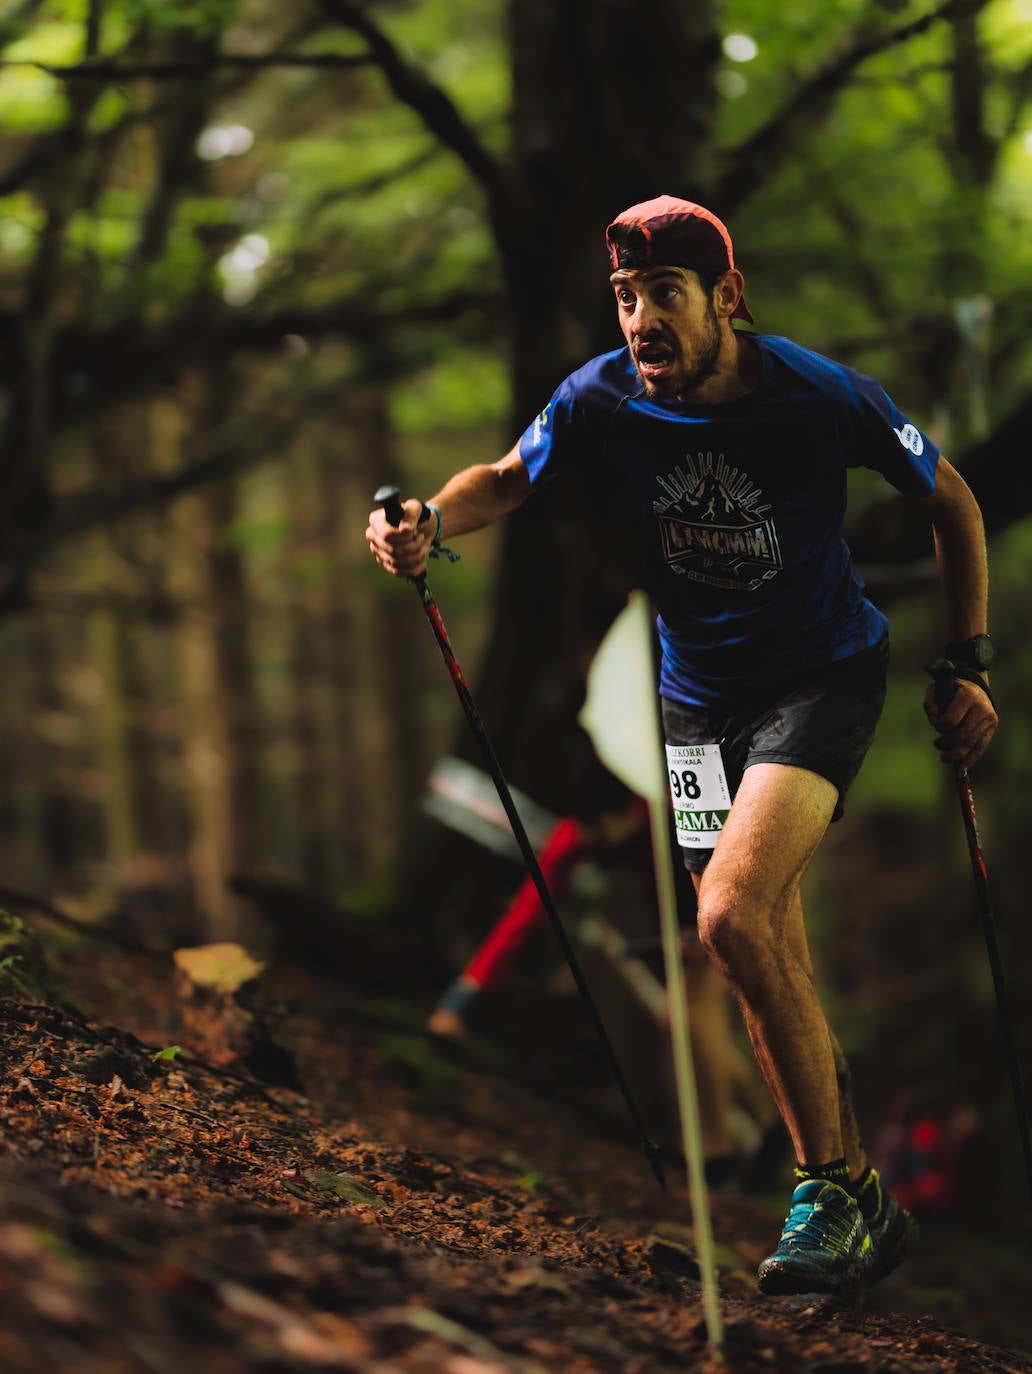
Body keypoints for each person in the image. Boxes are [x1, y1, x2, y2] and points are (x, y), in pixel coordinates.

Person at [366, 195, 998, 1298]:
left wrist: (972, 659)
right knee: (752, 950)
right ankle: (861, 1202)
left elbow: (951, 500)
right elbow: (507, 480)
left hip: (818, 681)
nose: (640, 320)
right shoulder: (602, 396)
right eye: (624, 298)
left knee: (730, 913)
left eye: (663, 294)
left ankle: (831, 1190)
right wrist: (424, 520)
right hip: (695, 705)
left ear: (727, 299)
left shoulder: (820, 396)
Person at [427, 792, 787, 1191]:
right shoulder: (575, 837)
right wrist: (461, 1000)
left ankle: (716, 1154)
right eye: (590, 833)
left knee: (689, 1018)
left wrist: (707, 924)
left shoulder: (666, 807)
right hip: (688, 924)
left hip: (724, 902)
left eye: (604, 830)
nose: (599, 841)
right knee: (684, 1021)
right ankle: (772, 1127)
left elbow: (725, 858)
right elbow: (524, 916)